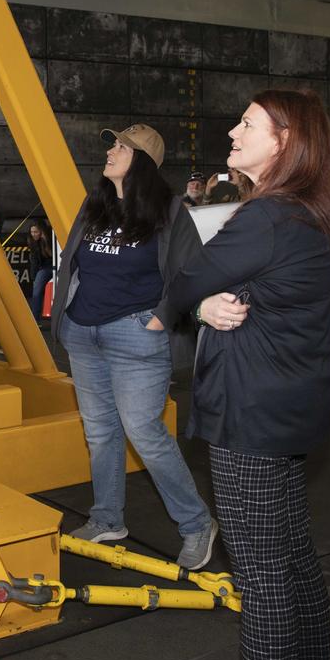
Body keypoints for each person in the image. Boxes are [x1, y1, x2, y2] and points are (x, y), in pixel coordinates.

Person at [167, 90, 330, 660]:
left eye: (247, 124)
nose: (232, 133)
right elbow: (215, 289)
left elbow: (187, 277)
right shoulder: (304, 214)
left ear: (285, 140)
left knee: (263, 581)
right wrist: (205, 303)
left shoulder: (267, 218)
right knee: (294, 570)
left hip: (250, 419)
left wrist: (197, 299)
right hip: (285, 413)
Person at [49, 124, 217, 570]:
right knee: (100, 433)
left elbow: (194, 272)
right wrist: (66, 322)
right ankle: (107, 518)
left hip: (135, 334)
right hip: (84, 334)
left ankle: (197, 524)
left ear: (142, 160)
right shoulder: (96, 204)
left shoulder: (169, 210)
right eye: (112, 144)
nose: (111, 151)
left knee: (144, 432)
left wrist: (159, 318)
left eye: (121, 146)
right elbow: (73, 264)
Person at [26, 221, 53, 320]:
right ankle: (35, 320)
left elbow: (52, 254)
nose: (33, 234)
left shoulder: (51, 238)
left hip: (58, 266)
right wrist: (34, 278)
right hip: (44, 268)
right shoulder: (32, 242)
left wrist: (45, 241)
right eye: (32, 232)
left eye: (36, 232)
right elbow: (34, 262)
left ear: (42, 231)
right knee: (36, 292)